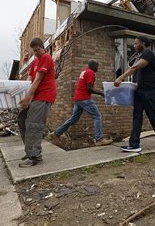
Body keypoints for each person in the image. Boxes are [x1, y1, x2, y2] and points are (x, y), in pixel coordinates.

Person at [114, 36, 155, 152]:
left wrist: (121, 78)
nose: (134, 46)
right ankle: (134, 144)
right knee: (136, 115)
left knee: (151, 114)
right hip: (139, 89)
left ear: (143, 44)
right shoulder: (139, 56)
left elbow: (135, 67)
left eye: (136, 44)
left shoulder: (148, 54)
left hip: (150, 89)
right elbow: (135, 72)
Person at [50, 60, 113, 146]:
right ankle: (99, 139)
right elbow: (89, 88)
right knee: (97, 116)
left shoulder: (84, 71)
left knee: (73, 119)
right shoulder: (90, 72)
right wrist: (101, 93)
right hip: (84, 98)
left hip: (78, 98)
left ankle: (56, 133)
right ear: (93, 66)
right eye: (97, 66)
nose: (98, 68)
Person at [18, 37, 56, 167]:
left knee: (33, 124)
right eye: (34, 51)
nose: (36, 53)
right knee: (22, 120)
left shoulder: (46, 57)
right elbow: (29, 80)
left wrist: (28, 98)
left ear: (43, 48)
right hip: (35, 96)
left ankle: (34, 156)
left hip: (44, 95)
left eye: (38, 50)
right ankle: (30, 150)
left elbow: (38, 79)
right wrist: (20, 91)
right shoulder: (34, 62)